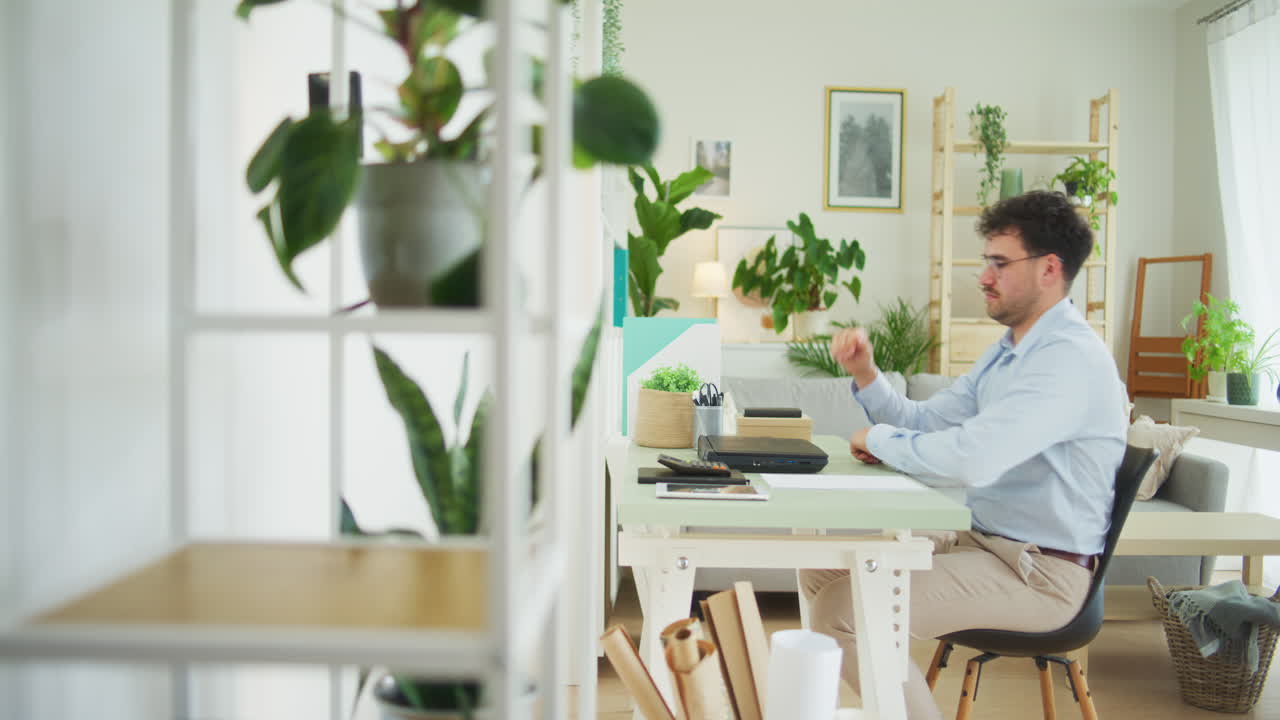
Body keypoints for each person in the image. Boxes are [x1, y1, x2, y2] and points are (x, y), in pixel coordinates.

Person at [803, 190, 1127, 720]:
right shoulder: (1011, 351)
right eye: (987, 262)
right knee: (824, 564)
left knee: (846, 611)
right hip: (985, 543)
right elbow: (927, 421)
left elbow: (972, 458)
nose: (983, 276)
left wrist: (878, 441)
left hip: (1040, 574)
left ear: (1049, 269)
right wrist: (866, 374)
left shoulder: (1069, 359)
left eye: (1000, 263)